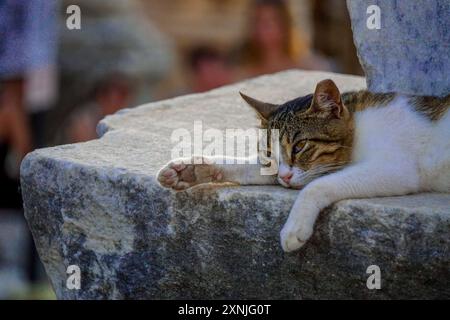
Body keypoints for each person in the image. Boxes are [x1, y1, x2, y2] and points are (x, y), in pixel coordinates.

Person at [234, 0, 331, 79]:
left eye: (269, 22)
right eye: (257, 21)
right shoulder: (244, 74)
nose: (262, 28)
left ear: (285, 25)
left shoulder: (311, 67)